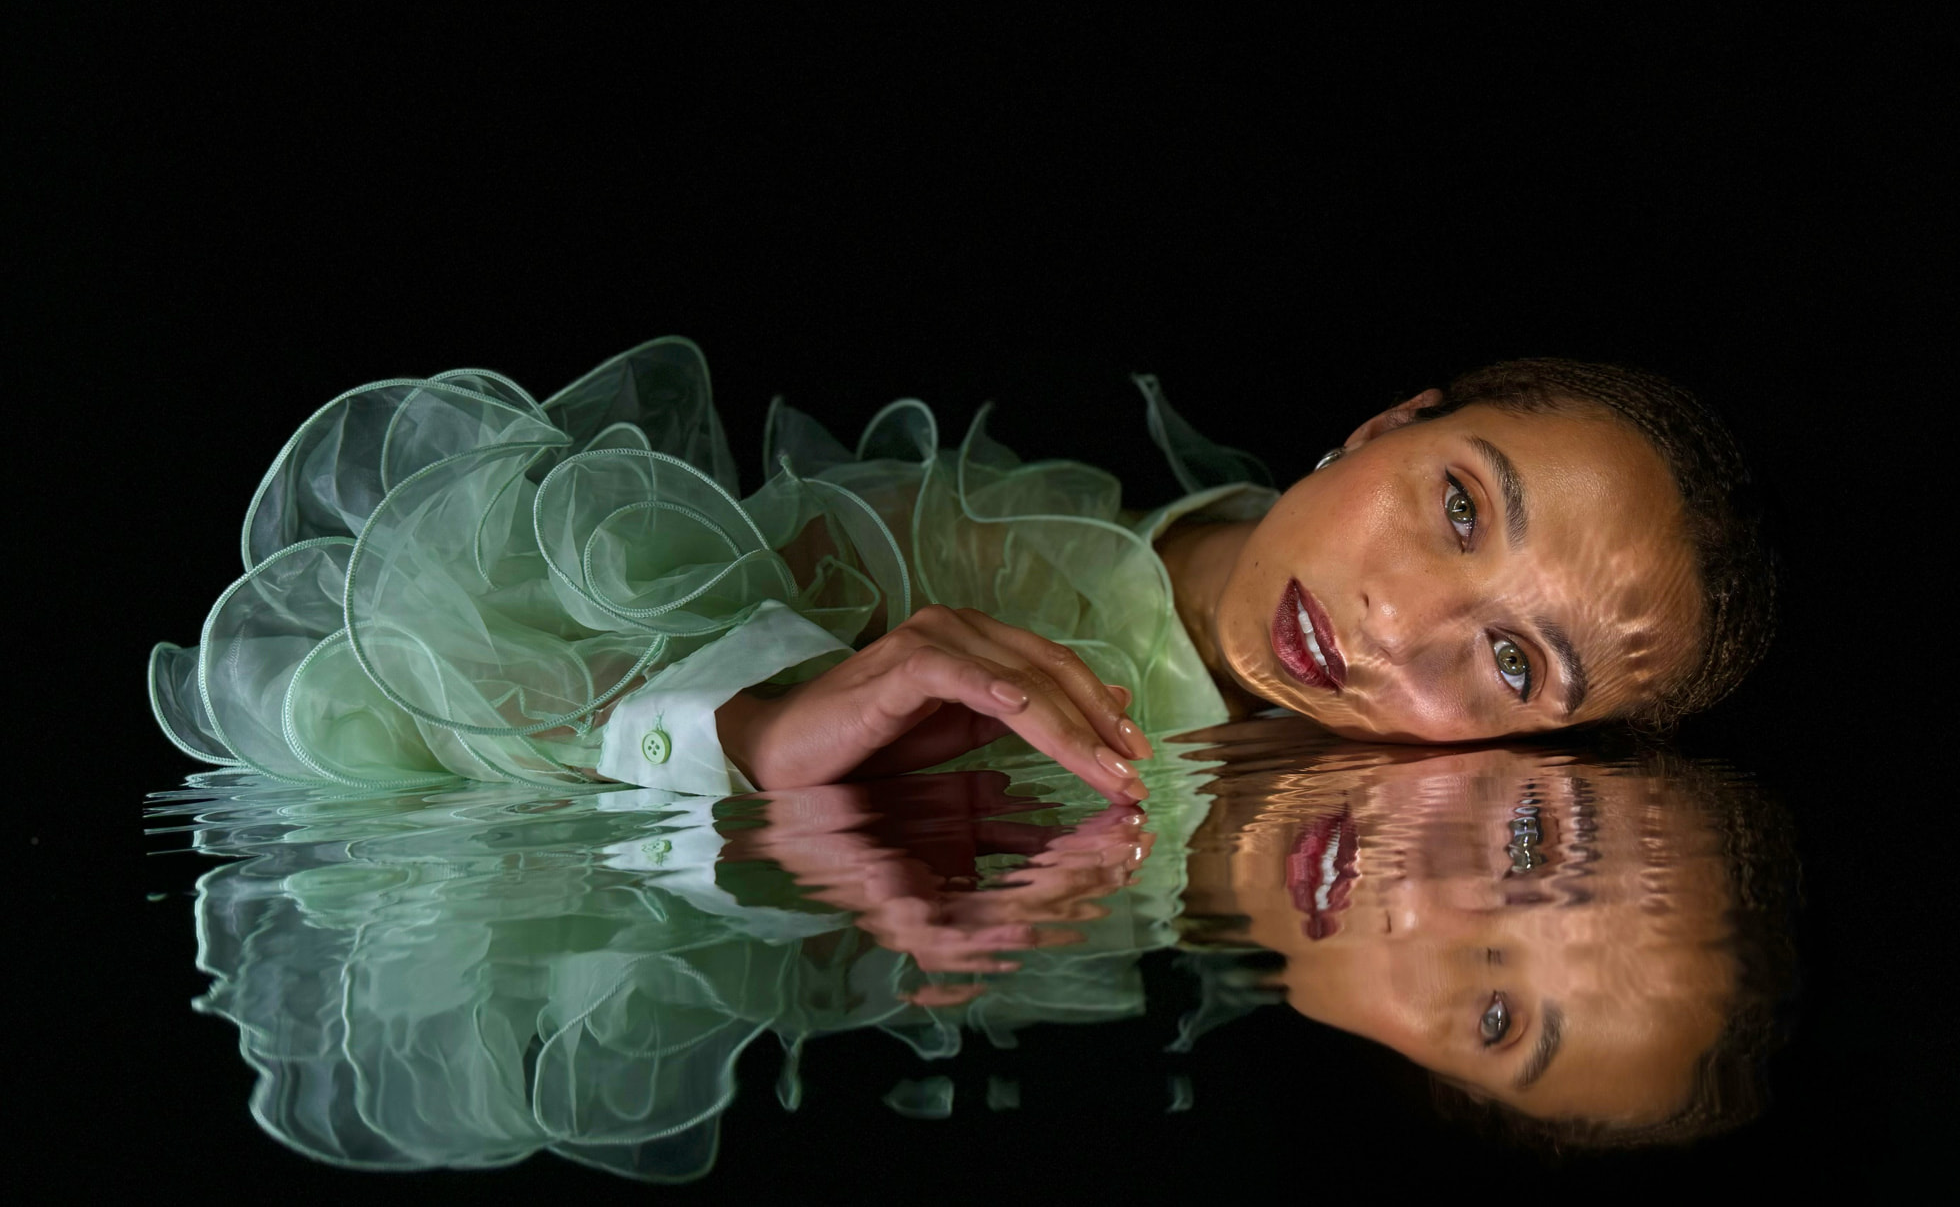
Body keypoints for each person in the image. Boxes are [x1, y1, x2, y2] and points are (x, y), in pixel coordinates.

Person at [157, 717, 1796, 1175]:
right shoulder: (1098, 686)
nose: (1428, 904)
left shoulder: (1045, 1069)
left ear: (1445, 1085)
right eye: (1528, 840)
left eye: (1498, 1012)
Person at [150, 337, 1774, 799]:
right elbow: (428, 687)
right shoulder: (950, 547)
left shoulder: (1363, 861)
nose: (1400, 624)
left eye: (1509, 666)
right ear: (1385, 420)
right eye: (1460, 507)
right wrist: (745, 733)